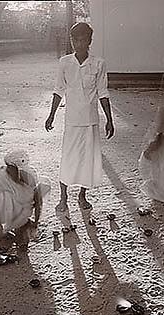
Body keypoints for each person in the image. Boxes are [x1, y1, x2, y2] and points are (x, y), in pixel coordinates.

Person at [45, 22, 115, 211]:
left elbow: (103, 92)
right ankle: (63, 198)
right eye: (74, 39)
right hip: (72, 121)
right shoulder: (65, 63)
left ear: (89, 41)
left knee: (88, 160)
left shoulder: (98, 63)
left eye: (82, 39)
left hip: (91, 121)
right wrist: (51, 115)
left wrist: (109, 119)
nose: (78, 43)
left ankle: (82, 196)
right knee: (68, 158)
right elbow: (58, 90)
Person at [0, 150, 50, 242]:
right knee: (4, 198)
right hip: (6, 207)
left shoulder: (30, 175)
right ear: (9, 167)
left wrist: (36, 223)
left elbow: (38, 201)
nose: (20, 172)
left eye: (21, 169)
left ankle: (22, 224)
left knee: (23, 239)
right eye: (16, 169)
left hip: (21, 205)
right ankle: (4, 228)